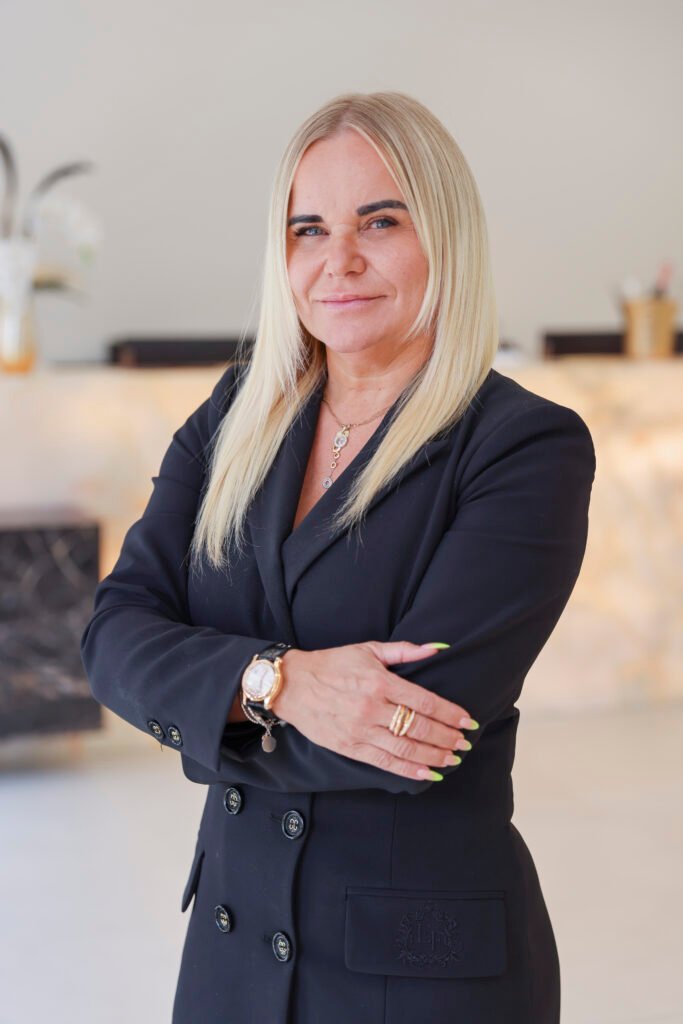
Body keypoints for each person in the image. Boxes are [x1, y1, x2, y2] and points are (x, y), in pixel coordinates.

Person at [80, 90, 596, 1024]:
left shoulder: (523, 446)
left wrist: (204, 707)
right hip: (230, 954)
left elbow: (413, 737)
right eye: (308, 229)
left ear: (445, 238)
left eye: (380, 221)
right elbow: (112, 637)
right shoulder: (237, 412)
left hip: (420, 975)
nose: (338, 260)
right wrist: (276, 684)